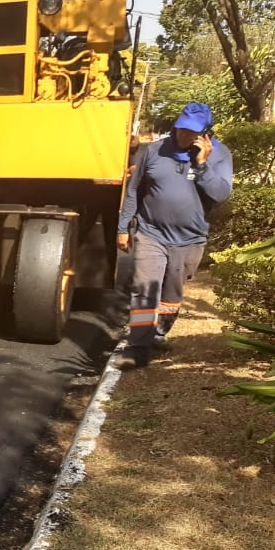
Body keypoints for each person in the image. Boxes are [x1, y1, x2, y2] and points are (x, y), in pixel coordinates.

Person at [113, 101, 233, 369]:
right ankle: (137, 348)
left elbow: (221, 194)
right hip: (150, 232)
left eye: (191, 132)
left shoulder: (220, 156)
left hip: (190, 239)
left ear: (205, 135)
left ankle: (158, 333)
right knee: (145, 289)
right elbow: (133, 190)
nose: (183, 136)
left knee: (171, 294)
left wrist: (202, 165)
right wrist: (123, 227)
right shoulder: (153, 150)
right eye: (180, 129)